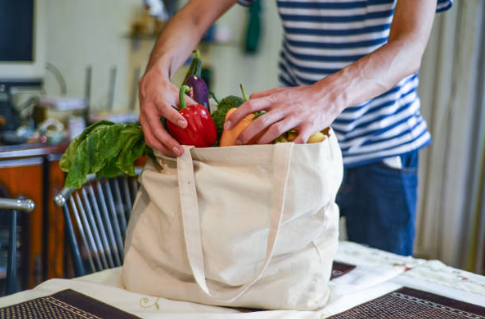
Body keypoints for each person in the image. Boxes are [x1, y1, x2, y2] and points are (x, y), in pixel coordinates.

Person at [138, 0, 453, 256]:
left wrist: (324, 96)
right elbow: (195, 16)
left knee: (383, 289)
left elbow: (410, 43)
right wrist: (156, 72)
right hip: (294, 148)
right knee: (281, 281)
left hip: (383, 148)